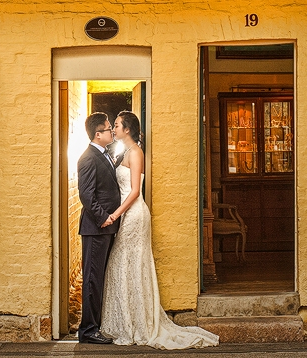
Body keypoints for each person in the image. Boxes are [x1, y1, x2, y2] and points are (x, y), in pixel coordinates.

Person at [100, 110, 219, 349]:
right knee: (122, 263)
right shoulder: (124, 151)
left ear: (127, 129)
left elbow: (135, 191)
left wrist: (115, 215)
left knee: (131, 263)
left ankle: (139, 323)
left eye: (117, 124)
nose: (113, 128)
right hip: (126, 213)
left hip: (134, 215)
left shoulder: (136, 152)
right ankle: (126, 321)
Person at [76, 112, 121, 344]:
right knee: (92, 280)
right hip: (95, 228)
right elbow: (86, 194)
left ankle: (96, 325)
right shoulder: (87, 158)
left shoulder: (103, 153)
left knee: (99, 278)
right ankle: (88, 330)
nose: (111, 131)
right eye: (108, 128)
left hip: (105, 228)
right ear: (97, 134)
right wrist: (103, 217)